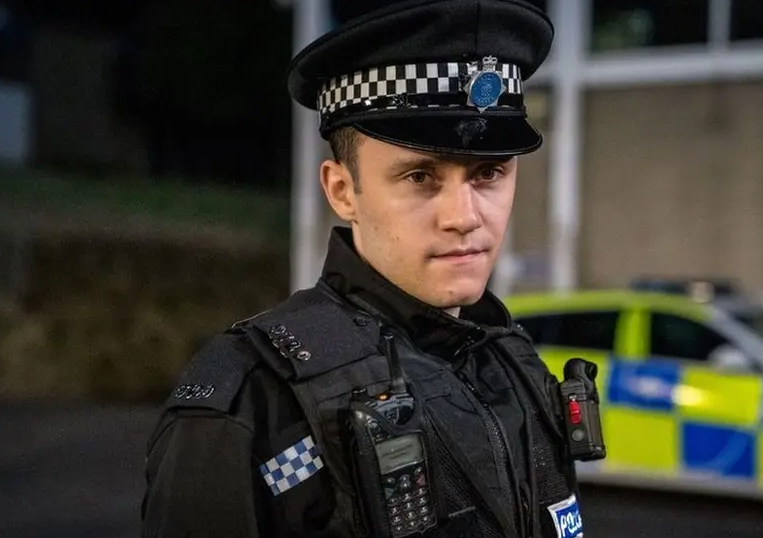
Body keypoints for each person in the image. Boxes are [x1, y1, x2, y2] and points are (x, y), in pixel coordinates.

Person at [141, 1, 602, 537]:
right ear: (342, 191)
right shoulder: (254, 405)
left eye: (488, 173)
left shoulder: (513, 363)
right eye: (419, 177)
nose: (464, 217)